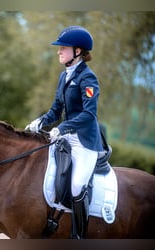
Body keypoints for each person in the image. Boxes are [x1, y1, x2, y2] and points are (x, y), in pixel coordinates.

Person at [25, 26, 103, 239]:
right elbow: (56, 110)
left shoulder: (88, 78)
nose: (59, 51)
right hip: (66, 135)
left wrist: (61, 128)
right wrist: (41, 121)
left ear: (77, 51)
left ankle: (78, 235)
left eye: (63, 48)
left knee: (77, 186)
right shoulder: (64, 76)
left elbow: (89, 114)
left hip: (85, 141)